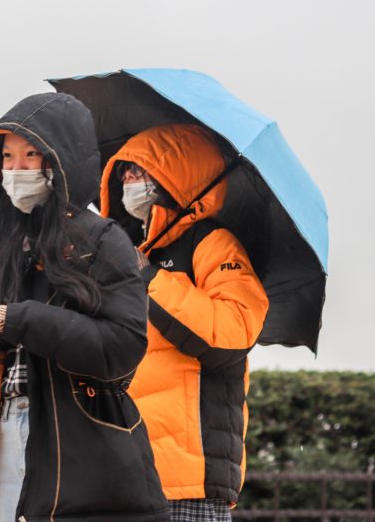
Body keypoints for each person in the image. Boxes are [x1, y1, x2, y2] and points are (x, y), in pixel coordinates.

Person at [0, 92, 170, 522]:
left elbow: (123, 347)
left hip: (75, 441)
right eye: (7, 156)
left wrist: (17, 319)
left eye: (31, 155)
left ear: (61, 160)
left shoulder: (103, 240)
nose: (16, 169)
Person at [98, 123, 270, 522]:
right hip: (121, 475)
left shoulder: (212, 243)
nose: (127, 179)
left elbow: (232, 334)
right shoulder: (131, 255)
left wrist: (150, 280)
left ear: (176, 179)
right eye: (123, 171)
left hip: (187, 485)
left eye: (139, 170)